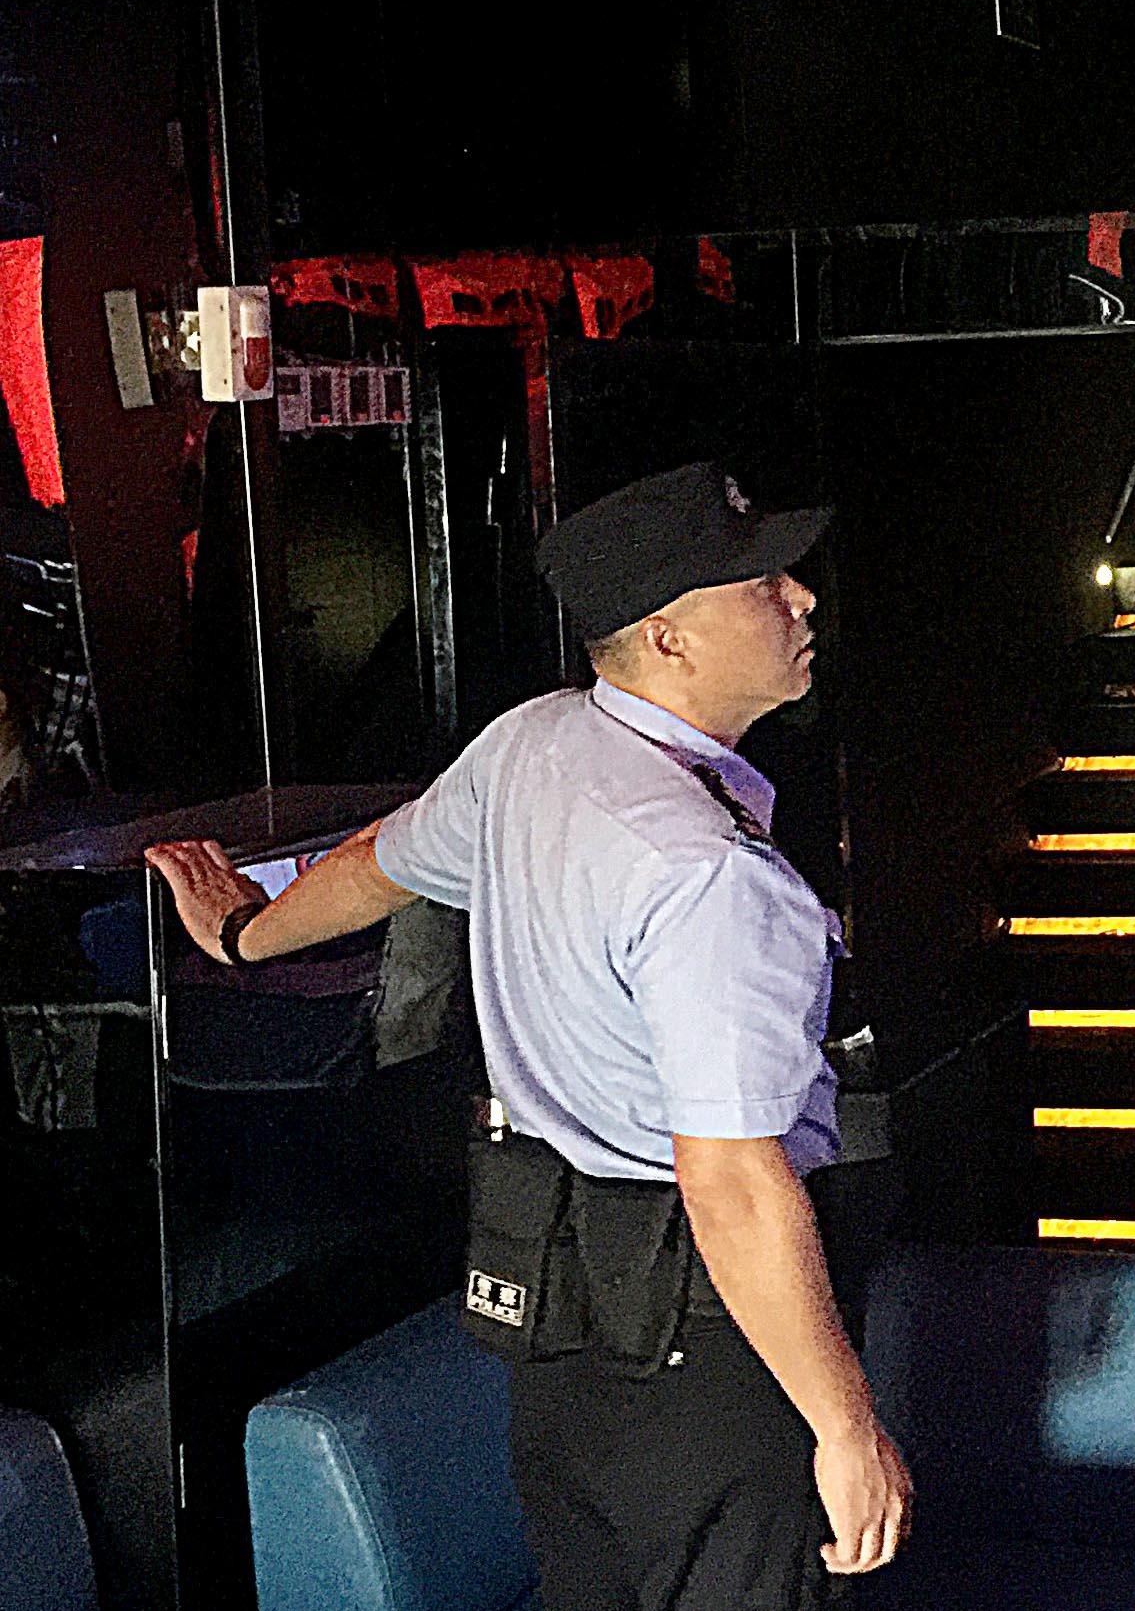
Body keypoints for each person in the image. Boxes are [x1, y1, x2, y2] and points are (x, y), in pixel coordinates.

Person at [148, 463, 909, 1609]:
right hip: (711, 1352)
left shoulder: (531, 747)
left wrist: (244, 936)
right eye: (761, 585)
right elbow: (731, 1183)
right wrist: (845, 1429)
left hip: (560, 1339)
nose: (801, 599)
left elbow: (379, 865)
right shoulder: (706, 874)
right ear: (667, 639)